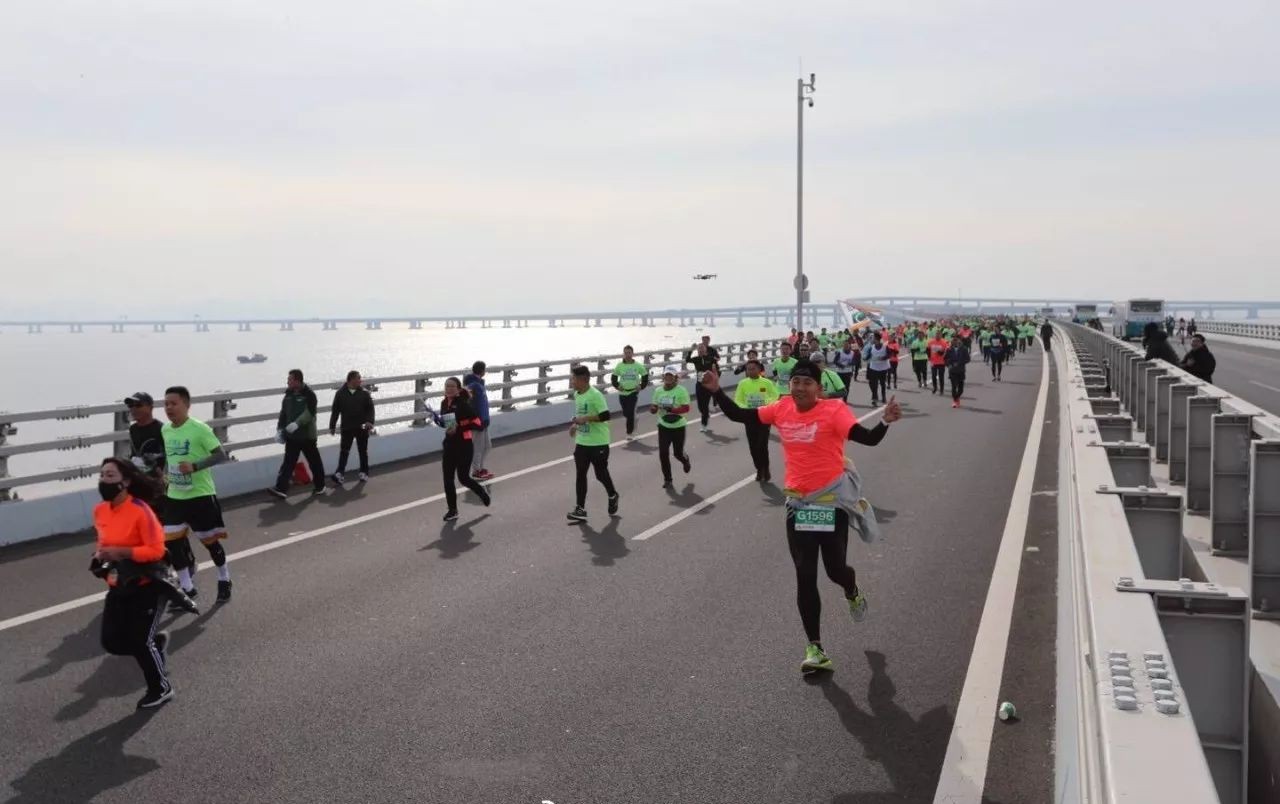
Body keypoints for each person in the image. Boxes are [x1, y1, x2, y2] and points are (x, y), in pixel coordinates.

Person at [701, 361, 902, 674]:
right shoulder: (781, 409)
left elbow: (867, 438)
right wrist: (717, 392)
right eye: (795, 381)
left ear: (819, 389)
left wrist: (885, 423)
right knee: (805, 574)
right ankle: (815, 648)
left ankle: (851, 590)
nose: (800, 387)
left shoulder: (833, 411)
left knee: (835, 570)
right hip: (799, 505)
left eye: (807, 382)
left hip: (830, 503)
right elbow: (741, 416)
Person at [92, 457, 174, 709]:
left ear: (126, 481)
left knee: (139, 641)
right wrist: (100, 556)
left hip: (149, 583)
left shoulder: (141, 510)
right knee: (112, 642)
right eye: (102, 475)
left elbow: (157, 550)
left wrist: (123, 552)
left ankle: (161, 688)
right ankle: (156, 643)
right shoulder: (101, 511)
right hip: (121, 583)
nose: (104, 481)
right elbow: (104, 541)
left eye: (111, 476)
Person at [161, 386, 232, 604]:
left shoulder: (199, 429)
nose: (169, 408)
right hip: (175, 495)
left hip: (200, 496)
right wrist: (165, 474)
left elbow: (221, 455)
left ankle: (224, 578)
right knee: (172, 543)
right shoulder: (166, 430)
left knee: (209, 542)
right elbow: (169, 456)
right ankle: (187, 588)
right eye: (166, 404)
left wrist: (195, 466)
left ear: (186, 405)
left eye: (174, 403)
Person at [430, 377, 492, 521]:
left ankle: (481, 492)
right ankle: (453, 510)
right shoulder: (444, 403)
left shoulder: (464, 404)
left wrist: (460, 425)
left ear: (458, 389)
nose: (449, 389)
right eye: (447, 386)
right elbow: (446, 424)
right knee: (448, 479)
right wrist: (437, 420)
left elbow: (478, 423)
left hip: (464, 446)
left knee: (463, 478)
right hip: (449, 445)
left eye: (452, 386)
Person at [566, 365, 619, 522]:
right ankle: (580, 509)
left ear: (584, 379)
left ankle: (613, 494)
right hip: (582, 442)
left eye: (573, 378)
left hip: (598, 443)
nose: (572, 381)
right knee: (580, 475)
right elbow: (580, 415)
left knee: (600, 474)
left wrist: (587, 419)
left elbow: (606, 415)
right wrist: (575, 425)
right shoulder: (577, 395)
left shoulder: (595, 395)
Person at [268, 370, 326, 499]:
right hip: (292, 437)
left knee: (314, 462)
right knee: (288, 463)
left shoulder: (309, 395)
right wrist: (280, 430)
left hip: (307, 436)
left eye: (290, 380)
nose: (287, 382)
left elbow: (309, 413)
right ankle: (281, 488)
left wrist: (297, 423)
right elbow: (283, 414)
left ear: (297, 381)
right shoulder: (288, 396)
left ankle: (320, 486)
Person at [733, 358, 779, 481]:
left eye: (753, 369)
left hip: (763, 416)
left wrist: (765, 404)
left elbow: (775, 395)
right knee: (753, 447)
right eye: (748, 369)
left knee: (762, 445)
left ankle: (766, 468)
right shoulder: (743, 383)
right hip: (750, 418)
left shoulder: (767, 383)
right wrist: (747, 408)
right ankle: (759, 469)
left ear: (759, 369)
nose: (750, 371)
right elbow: (738, 399)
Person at [649, 366, 693, 489]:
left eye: (671, 376)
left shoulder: (681, 391)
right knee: (663, 453)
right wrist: (653, 409)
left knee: (677, 453)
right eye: (666, 376)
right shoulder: (658, 391)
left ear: (675, 378)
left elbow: (686, 408)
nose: (668, 378)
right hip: (664, 426)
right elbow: (654, 405)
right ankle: (668, 479)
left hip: (678, 426)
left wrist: (671, 409)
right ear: (663, 377)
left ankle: (685, 460)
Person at [329, 370, 375, 484]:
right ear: (351, 380)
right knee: (344, 451)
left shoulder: (365, 393)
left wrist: (369, 421)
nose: (360, 380)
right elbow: (335, 410)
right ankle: (340, 473)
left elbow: (370, 408)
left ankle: (364, 472)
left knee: (363, 451)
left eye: (360, 378)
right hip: (347, 427)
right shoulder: (340, 393)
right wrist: (332, 426)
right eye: (358, 378)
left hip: (362, 427)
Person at [124, 392, 166, 514]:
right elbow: (134, 453)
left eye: (138, 405)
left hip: (158, 483)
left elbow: (172, 456)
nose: (133, 409)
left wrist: (159, 470)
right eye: (131, 406)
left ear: (150, 407)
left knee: (159, 520)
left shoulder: (161, 429)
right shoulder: (133, 429)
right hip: (140, 479)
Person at [463, 361, 495, 480]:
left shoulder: (479, 384)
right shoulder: (473, 385)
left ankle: (480, 468)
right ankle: (476, 471)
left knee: (487, 446)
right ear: (482, 371)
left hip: (484, 421)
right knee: (478, 447)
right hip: (477, 422)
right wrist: (476, 420)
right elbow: (466, 397)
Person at [610, 346, 650, 440]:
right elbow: (613, 378)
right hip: (623, 393)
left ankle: (629, 432)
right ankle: (634, 419)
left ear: (632, 354)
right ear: (623, 354)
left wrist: (641, 386)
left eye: (629, 353)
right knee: (626, 413)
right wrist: (617, 385)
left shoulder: (638, 365)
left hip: (633, 392)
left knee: (630, 413)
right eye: (626, 353)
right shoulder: (620, 365)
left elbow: (645, 376)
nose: (627, 355)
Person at [683, 341, 719, 433]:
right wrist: (691, 350)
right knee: (700, 406)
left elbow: (716, 367)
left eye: (702, 349)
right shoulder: (696, 359)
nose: (700, 350)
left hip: (708, 384)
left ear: (705, 350)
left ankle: (704, 425)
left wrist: (715, 378)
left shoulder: (711, 359)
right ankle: (705, 414)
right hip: (699, 384)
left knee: (705, 406)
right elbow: (687, 360)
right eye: (699, 349)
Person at [863, 332, 891, 406]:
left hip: (883, 368)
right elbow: (868, 355)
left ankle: (883, 396)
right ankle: (874, 399)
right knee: (874, 384)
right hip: (874, 367)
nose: (873, 339)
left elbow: (889, 354)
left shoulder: (885, 346)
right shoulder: (872, 347)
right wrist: (865, 358)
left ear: (877, 339)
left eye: (874, 338)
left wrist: (883, 358)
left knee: (882, 383)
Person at [944, 336, 970, 408]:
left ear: (960, 342)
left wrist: (960, 363)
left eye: (957, 341)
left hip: (961, 370)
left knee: (961, 389)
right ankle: (955, 401)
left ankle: (957, 397)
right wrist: (948, 365)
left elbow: (968, 359)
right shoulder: (949, 349)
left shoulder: (964, 349)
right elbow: (945, 359)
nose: (955, 342)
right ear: (952, 342)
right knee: (954, 386)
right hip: (952, 371)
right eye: (954, 341)